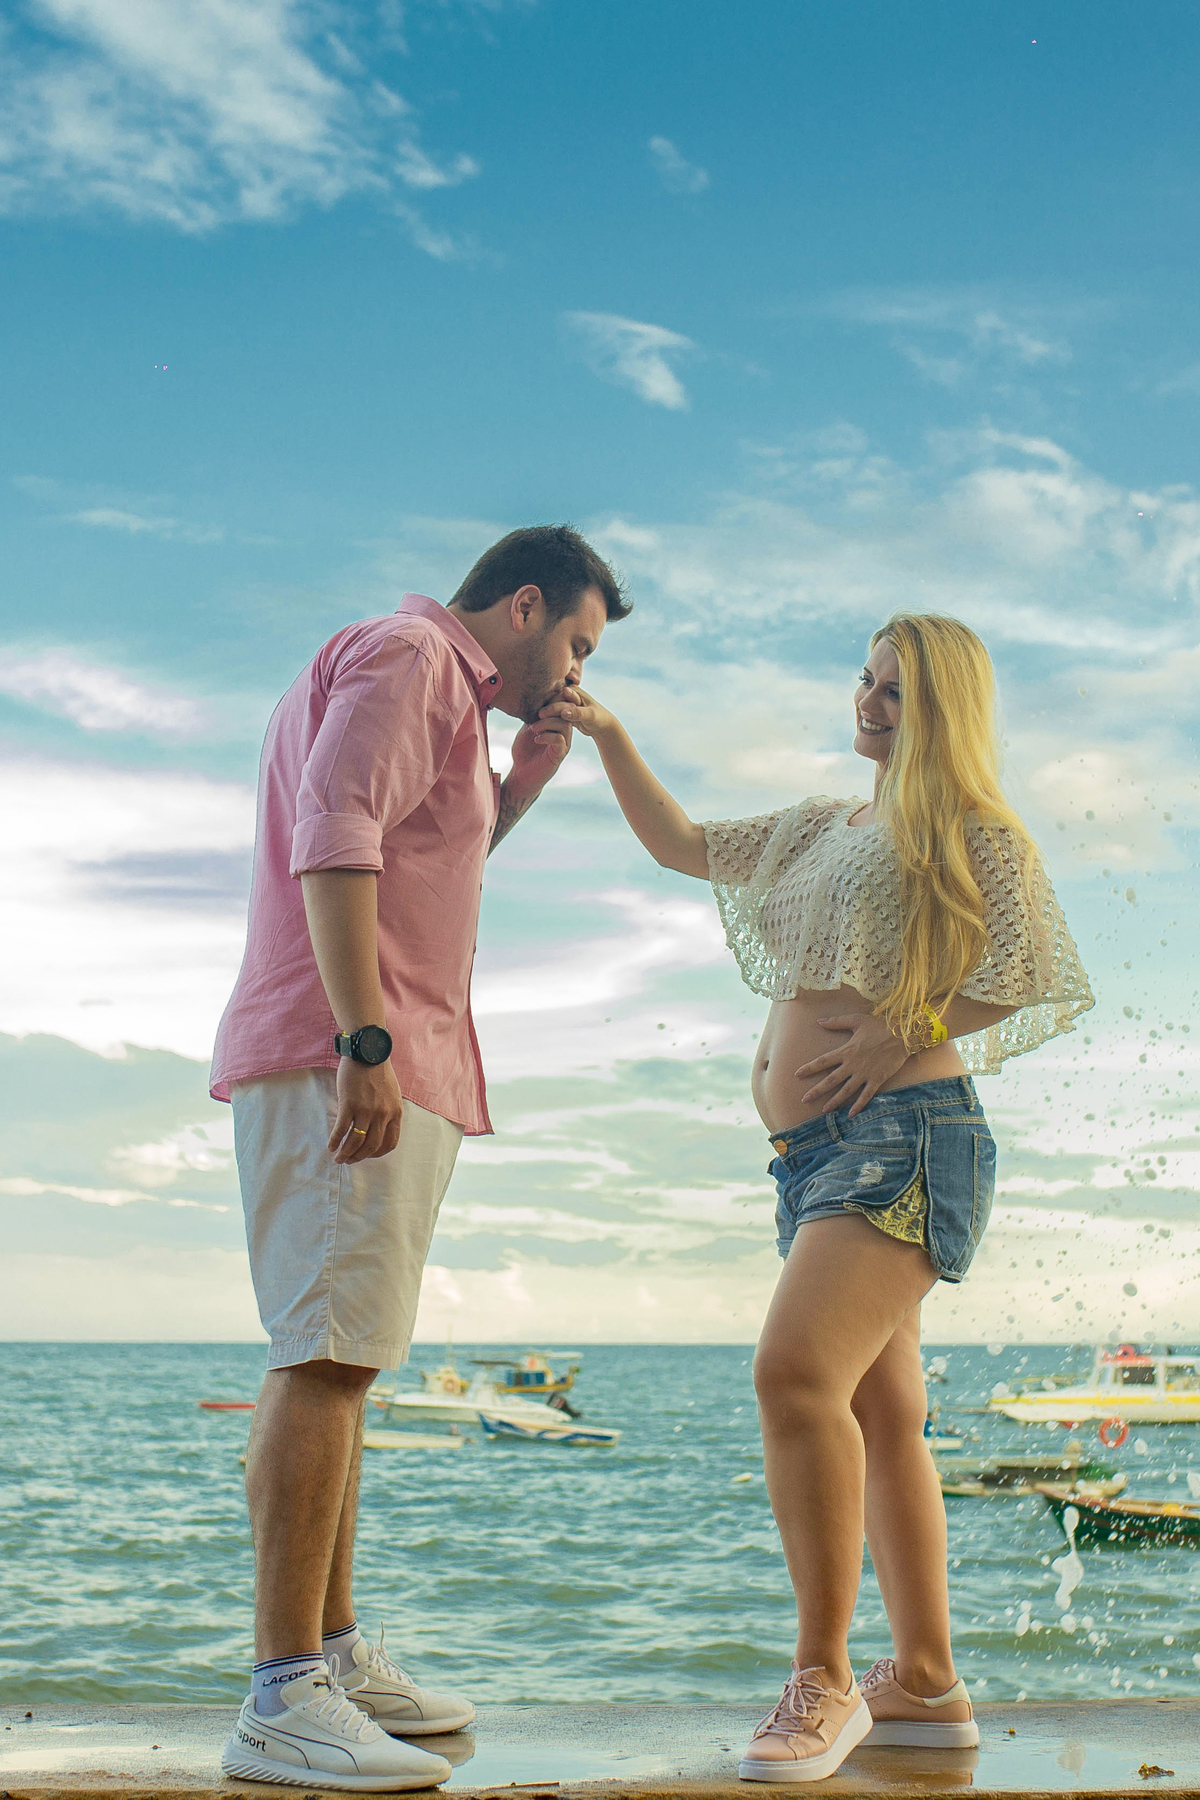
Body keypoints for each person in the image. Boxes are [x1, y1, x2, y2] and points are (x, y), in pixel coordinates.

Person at [539, 614, 1092, 1784]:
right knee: (885, 1418)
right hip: (813, 1157)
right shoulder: (816, 825)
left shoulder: (968, 827)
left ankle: (826, 1681)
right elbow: (684, 845)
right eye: (865, 680)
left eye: (896, 690)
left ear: (945, 708)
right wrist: (611, 735)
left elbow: (1034, 971)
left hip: (906, 1137)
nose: (870, 703)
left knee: (792, 1377)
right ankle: (929, 1684)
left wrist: (911, 1027)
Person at [209, 525, 630, 1791]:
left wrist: (529, 771)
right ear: (522, 603)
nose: (572, 670)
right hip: (352, 1047)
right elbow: (333, 838)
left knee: (351, 1359)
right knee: (324, 1355)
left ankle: (328, 1657)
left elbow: (420, 858)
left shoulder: (447, 694)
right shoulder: (411, 659)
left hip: (388, 1048)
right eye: (575, 642)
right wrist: (366, 1039)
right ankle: (284, 1695)